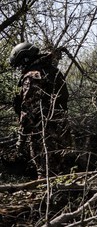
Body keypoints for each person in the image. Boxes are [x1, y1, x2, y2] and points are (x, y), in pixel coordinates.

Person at [9, 42, 71, 178]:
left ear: (26, 59)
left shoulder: (33, 76)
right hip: (62, 129)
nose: (20, 68)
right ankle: (66, 196)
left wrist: (22, 137)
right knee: (63, 170)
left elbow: (29, 111)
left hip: (43, 133)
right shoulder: (53, 71)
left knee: (45, 172)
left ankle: (47, 197)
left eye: (20, 64)